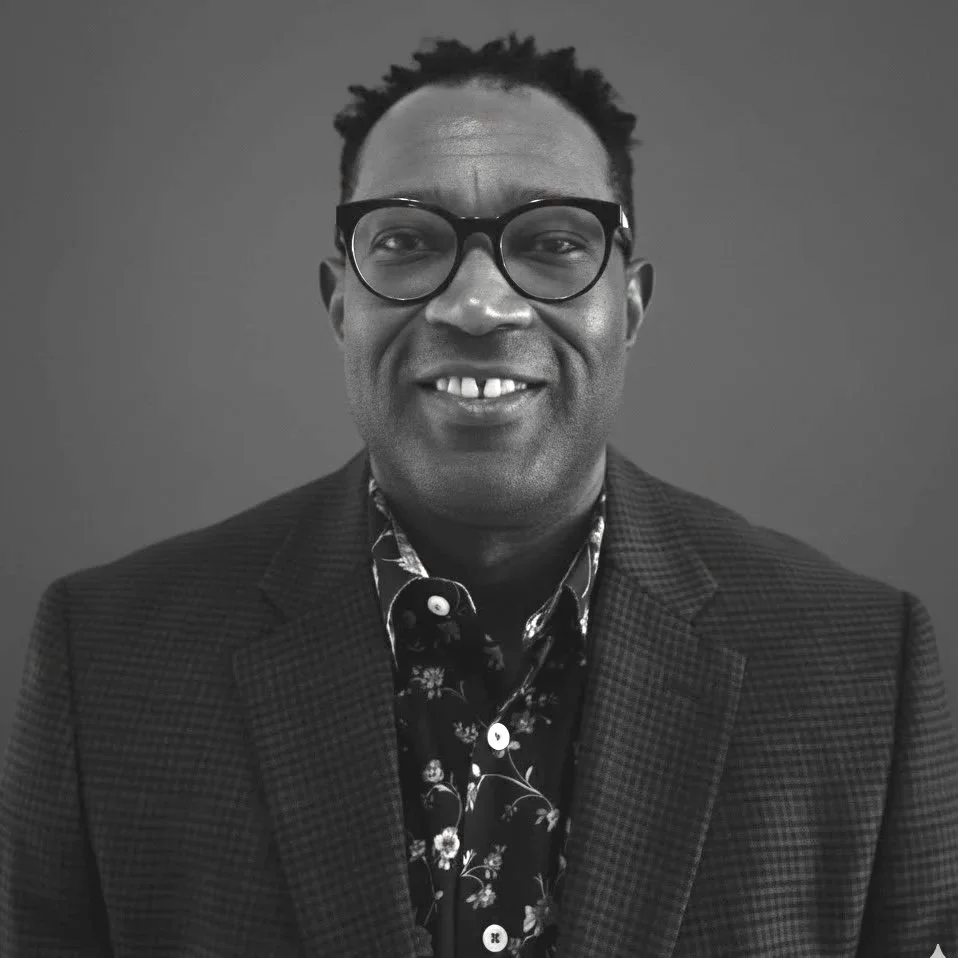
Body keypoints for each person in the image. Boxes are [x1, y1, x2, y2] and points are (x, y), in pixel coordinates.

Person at [1, 31, 956, 958]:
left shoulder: (867, 675)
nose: (478, 303)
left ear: (629, 308)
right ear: (341, 305)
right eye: (410, 241)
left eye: (550, 242)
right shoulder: (110, 661)